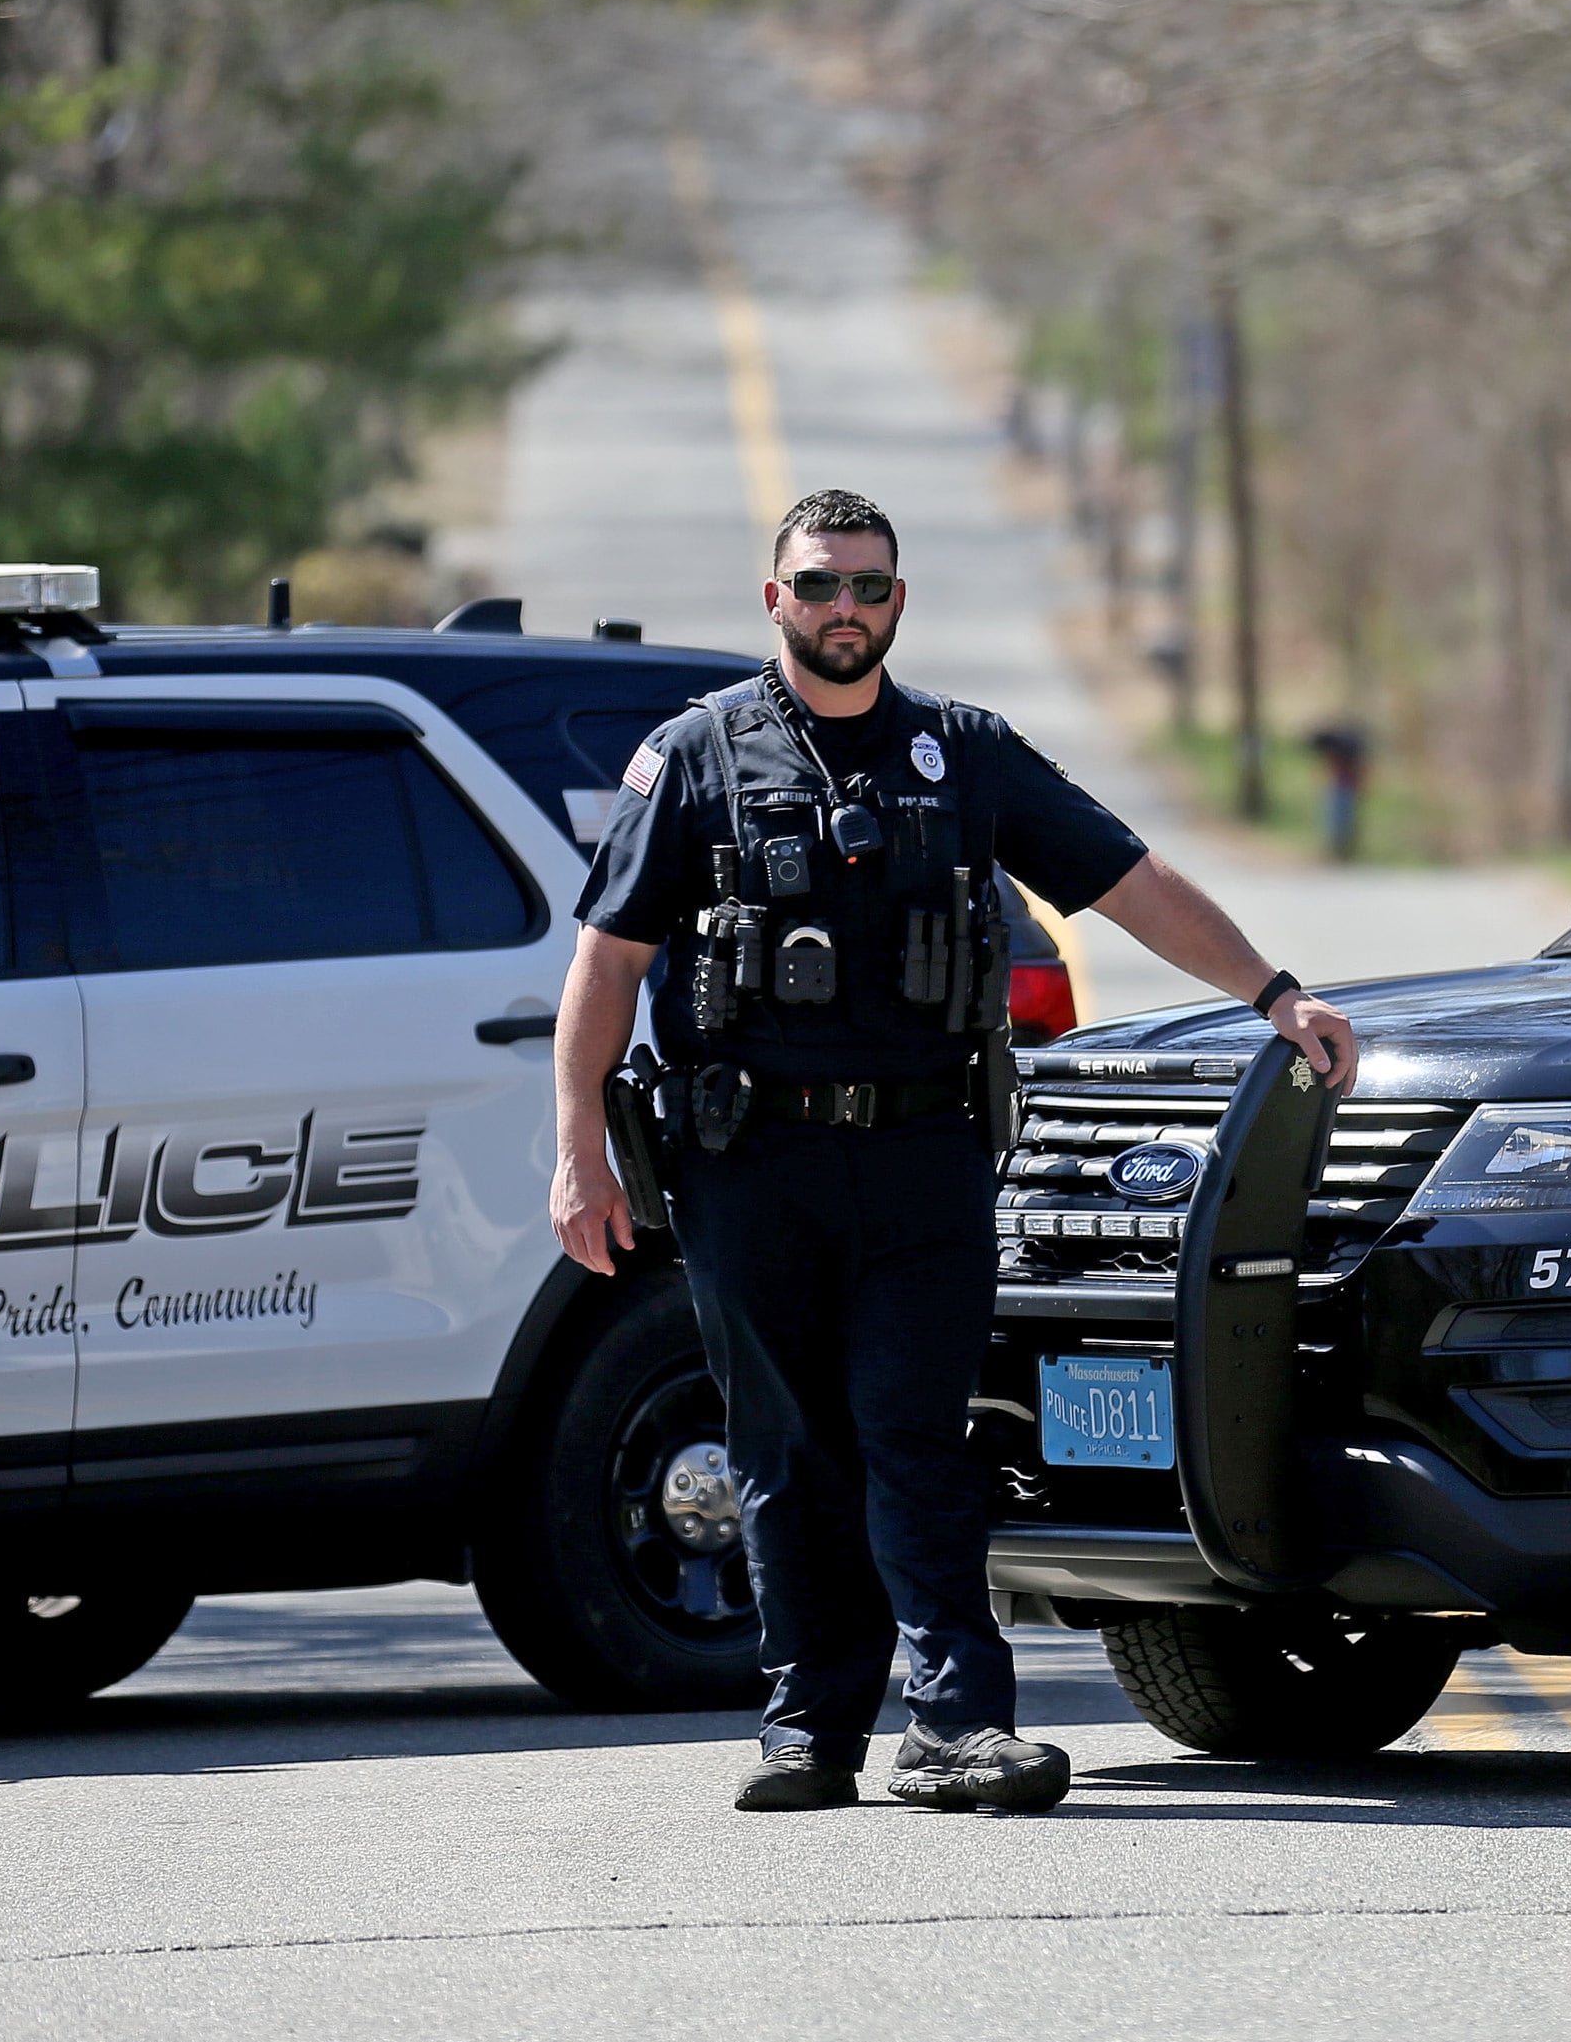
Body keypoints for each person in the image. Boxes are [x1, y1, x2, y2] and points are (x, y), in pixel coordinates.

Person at [547, 487, 1359, 1815]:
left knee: (915, 1438)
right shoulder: (696, 757)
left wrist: (1277, 991)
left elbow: (1130, 877)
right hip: (750, 1162)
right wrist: (577, 1142)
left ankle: (958, 1728)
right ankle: (808, 1727)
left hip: (923, 1157)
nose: (843, 609)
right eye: (818, 586)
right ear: (776, 602)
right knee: (785, 1448)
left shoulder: (963, 753)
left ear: (898, 603)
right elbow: (609, 958)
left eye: (867, 586)